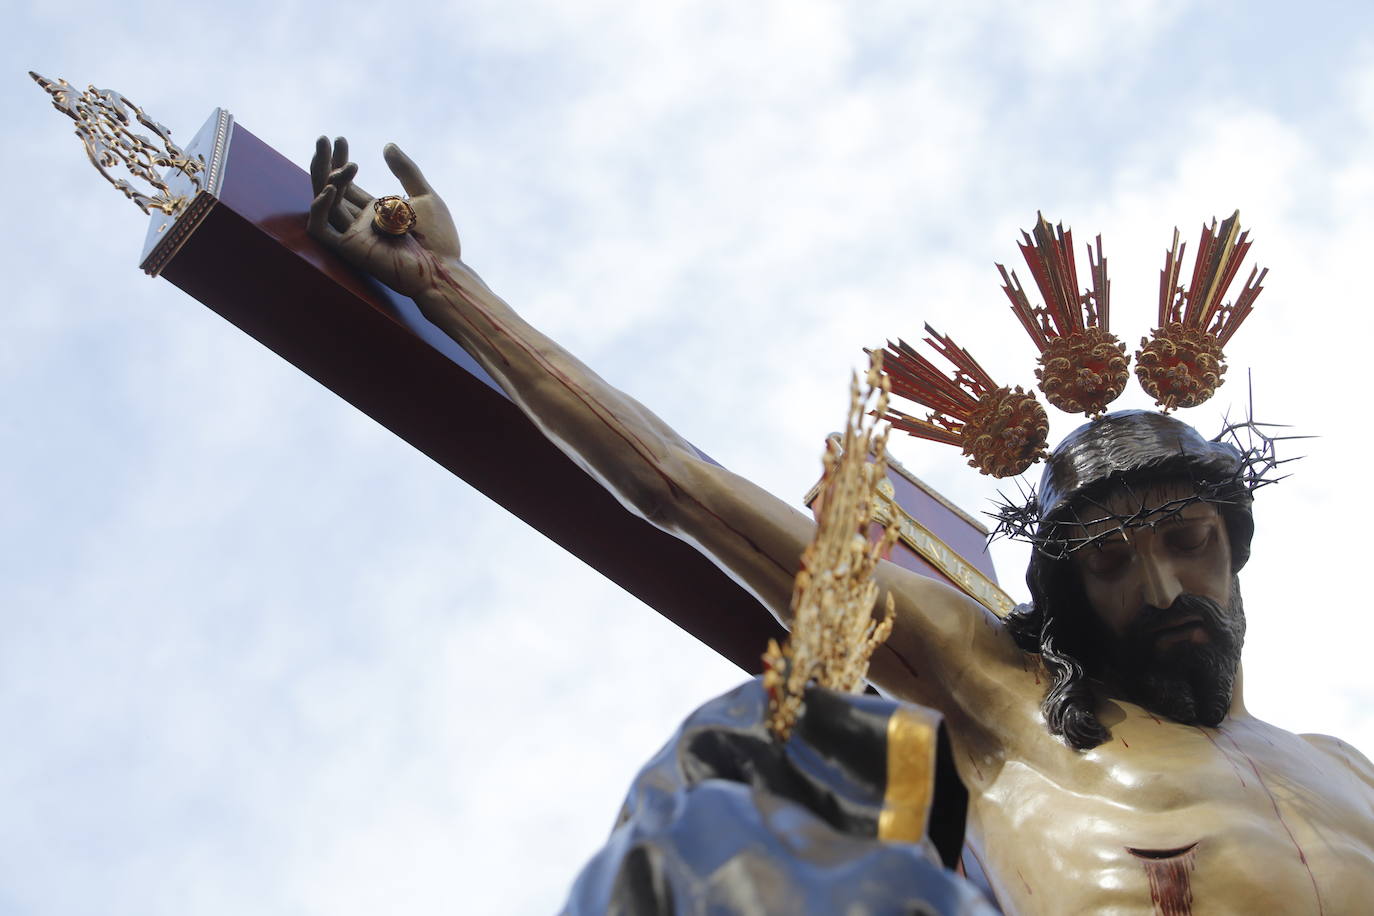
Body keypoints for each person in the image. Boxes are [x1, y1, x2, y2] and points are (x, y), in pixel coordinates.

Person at [307, 138, 1374, 914]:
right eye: (1108, 562)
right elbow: (680, 486)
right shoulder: (1002, 702)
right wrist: (450, 290)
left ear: (1231, 542)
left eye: (1186, 539)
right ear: (1066, 602)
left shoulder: (1344, 767)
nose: (1161, 588)